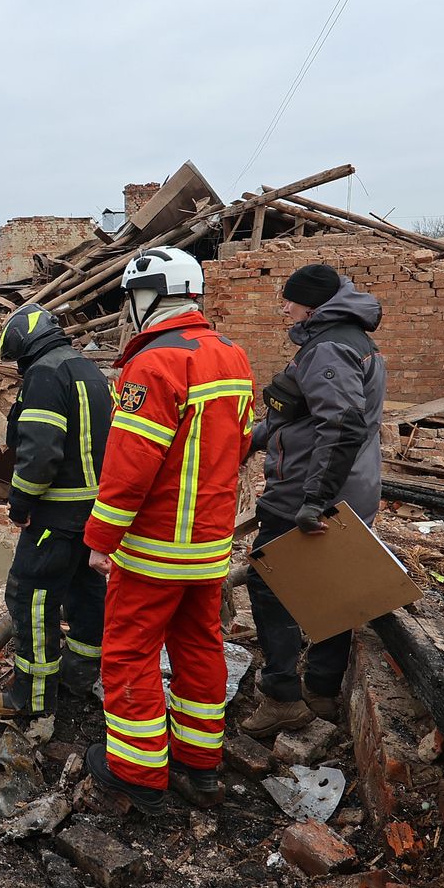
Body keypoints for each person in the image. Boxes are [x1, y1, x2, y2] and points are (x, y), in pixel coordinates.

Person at [80, 247, 255, 811]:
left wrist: (100, 539)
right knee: (201, 645)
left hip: (154, 548)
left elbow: (129, 466)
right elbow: (242, 445)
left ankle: (135, 775)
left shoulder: (154, 363)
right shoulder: (233, 355)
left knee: (129, 652)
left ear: (149, 295)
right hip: (209, 547)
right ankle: (200, 764)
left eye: (133, 299)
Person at [239, 263, 386, 737]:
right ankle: (321, 690)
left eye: (290, 299)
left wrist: (313, 500)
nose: (284, 307)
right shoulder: (350, 338)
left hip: (312, 489)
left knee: (269, 582)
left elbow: (342, 424)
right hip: (350, 487)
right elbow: (304, 419)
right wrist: (254, 437)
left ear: (313, 303)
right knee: (333, 590)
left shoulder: (327, 347)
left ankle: (282, 696)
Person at [0, 304, 113, 718]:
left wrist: (20, 504)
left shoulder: (44, 374)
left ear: (26, 346)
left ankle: (33, 700)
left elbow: (40, 453)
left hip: (55, 516)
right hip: (93, 514)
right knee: (87, 594)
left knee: (30, 599)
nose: (19, 367)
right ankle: (80, 678)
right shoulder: (88, 369)